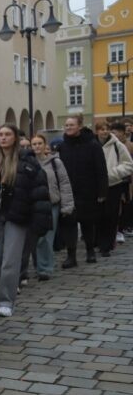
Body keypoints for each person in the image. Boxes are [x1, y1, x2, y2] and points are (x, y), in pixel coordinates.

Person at [0, 124, 51, 317]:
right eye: (0, 134)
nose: (3, 138)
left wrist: (40, 221)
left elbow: (40, 191)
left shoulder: (27, 161)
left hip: (18, 217)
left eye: (7, 134)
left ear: (15, 137)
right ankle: (5, 288)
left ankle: (6, 300)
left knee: (10, 260)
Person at [59, 115, 108, 267]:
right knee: (69, 224)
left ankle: (90, 251)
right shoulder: (62, 146)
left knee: (87, 223)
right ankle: (71, 256)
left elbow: (101, 170)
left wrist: (102, 192)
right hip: (68, 192)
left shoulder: (92, 145)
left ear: (80, 126)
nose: (68, 128)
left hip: (88, 190)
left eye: (71, 125)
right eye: (66, 125)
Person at [30, 133, 74, 280]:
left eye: (39, 143)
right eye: (34, 144)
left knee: (46, 238)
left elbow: (64, 183)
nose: (36, 146)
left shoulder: (55, 162)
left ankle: (45, 268)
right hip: (33, 205)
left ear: (45, 145)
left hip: (51, 204)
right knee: (35, 238)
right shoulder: (28, 162)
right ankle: (38, 264)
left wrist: (67, 205)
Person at [97, 122, 133, 257]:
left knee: (111, 215)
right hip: (96, 185)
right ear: (97, 131)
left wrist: (112, 174)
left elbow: (129, 165)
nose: (104, 132)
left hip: (114, 185)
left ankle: (107, 245)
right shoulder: (93, 145)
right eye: (101, 129)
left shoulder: (118, 145)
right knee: (98, 215)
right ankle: (100, 242)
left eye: (106, 129)